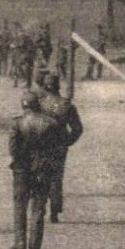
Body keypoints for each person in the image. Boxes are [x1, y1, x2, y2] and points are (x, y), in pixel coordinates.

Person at [8, 91, 66, 249]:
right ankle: (35, 246)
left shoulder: (17, 123)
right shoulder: (51, 123)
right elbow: (57, 148)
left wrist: (20, 162)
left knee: (20, 205)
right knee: (39, 206)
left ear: (23, 106)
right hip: (43, 169)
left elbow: (13, 150)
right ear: (38, 106)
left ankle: (19, 241)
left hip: (22, 170)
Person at [35, 71, 83, 222]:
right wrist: (67, 141)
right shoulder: (66, 104)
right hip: (59, 145)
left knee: (40, 175)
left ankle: (39, 207)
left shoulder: (39, 104)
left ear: (45, 86)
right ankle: (54, 212)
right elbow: (77, 128)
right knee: (56, 177)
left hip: (41, 144)